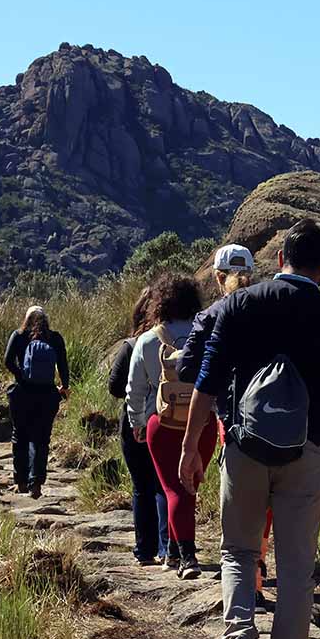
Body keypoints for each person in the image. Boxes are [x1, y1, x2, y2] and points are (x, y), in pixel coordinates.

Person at [178, 219, 320, 639]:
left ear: (281, 256)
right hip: (305, 452)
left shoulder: (242, 302)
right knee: (296, 567)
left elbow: (207, 376)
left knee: (239, 552)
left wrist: (189, 447)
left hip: (244, 447)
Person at [178, 244, 273, 600]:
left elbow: (188, 368)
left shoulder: (212, 315)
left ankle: (246, 579)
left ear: (219, 278)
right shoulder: (272, 308)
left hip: (231, 416)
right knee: (268, 499)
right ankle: (260, 568)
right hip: (277, 414)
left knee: (239, 498)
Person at [125, 273, 217, 580]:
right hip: (202, 422)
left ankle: (185, 556)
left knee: (172, 488)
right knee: (189, 487)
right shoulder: (207, 331)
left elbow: (135, 389)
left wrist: (137, 423)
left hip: (161, 424)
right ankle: (179, 551)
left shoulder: (149, 339)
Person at [107, 287, 170, 567]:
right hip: (169, 420)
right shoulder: (176, 340)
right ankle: (168, 547)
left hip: (135, 424)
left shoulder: (132, 345)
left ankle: (144, 550)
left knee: (142, 486)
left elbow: (115, 387)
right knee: (165, 484)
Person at [4, 305, 70, 498]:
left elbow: (8, 361)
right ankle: (36, 484)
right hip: (47, 395)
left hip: (22, 394)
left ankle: (21, 481)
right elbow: (63, 365)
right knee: (41, 439)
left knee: (20, 436)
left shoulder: (18, 335)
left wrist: (22, 375)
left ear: (26, 319)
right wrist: (64, 387)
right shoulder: (55, 338)